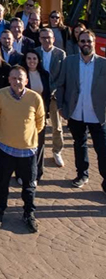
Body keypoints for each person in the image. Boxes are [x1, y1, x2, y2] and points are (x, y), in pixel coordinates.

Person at [0, 66, 45, 233]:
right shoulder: (0, 95)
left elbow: (40, 122)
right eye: (13, 78)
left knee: (29, 185)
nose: (17, 81)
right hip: (6, 149)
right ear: (9, 79)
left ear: (26, 81)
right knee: (2, 183)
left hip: (27, 151)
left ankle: (29, 213)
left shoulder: (35, 98)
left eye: (20, 78)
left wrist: (25, 137)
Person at [56, 29, 106, 191]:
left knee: (102, 148)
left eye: (89, 41)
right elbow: (61, 85)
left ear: (94, 43)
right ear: (78, 43)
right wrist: (60, 106)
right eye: (83, 41)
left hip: (98, 114)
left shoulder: (103, 64)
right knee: (80, 144)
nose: (86, 44)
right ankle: (82, 174)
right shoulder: (69, 62)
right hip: (76, 112)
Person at [35, 28, 67, 168]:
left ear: (53, 39)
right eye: (43, 37)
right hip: (38, 93)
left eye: (49, 37)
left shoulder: (60, 54)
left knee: (57, 126)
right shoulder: (35, 52)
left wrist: (53, 89)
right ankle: (35, 148)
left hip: (54, 94)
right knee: (36, 124)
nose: (46, 40)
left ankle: (56, 151)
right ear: (40, 39)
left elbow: (63, 75)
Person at [24, 50, 51, 182]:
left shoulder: (44, 74)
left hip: (40, 114)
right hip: (24, 115)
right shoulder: (22, 75)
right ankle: (23, 173)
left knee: (39, 144)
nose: (32, 61)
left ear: (38, 60)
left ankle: (37, 172)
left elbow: (47, 94)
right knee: (25, 144)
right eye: (29, 58)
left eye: (34, 58)